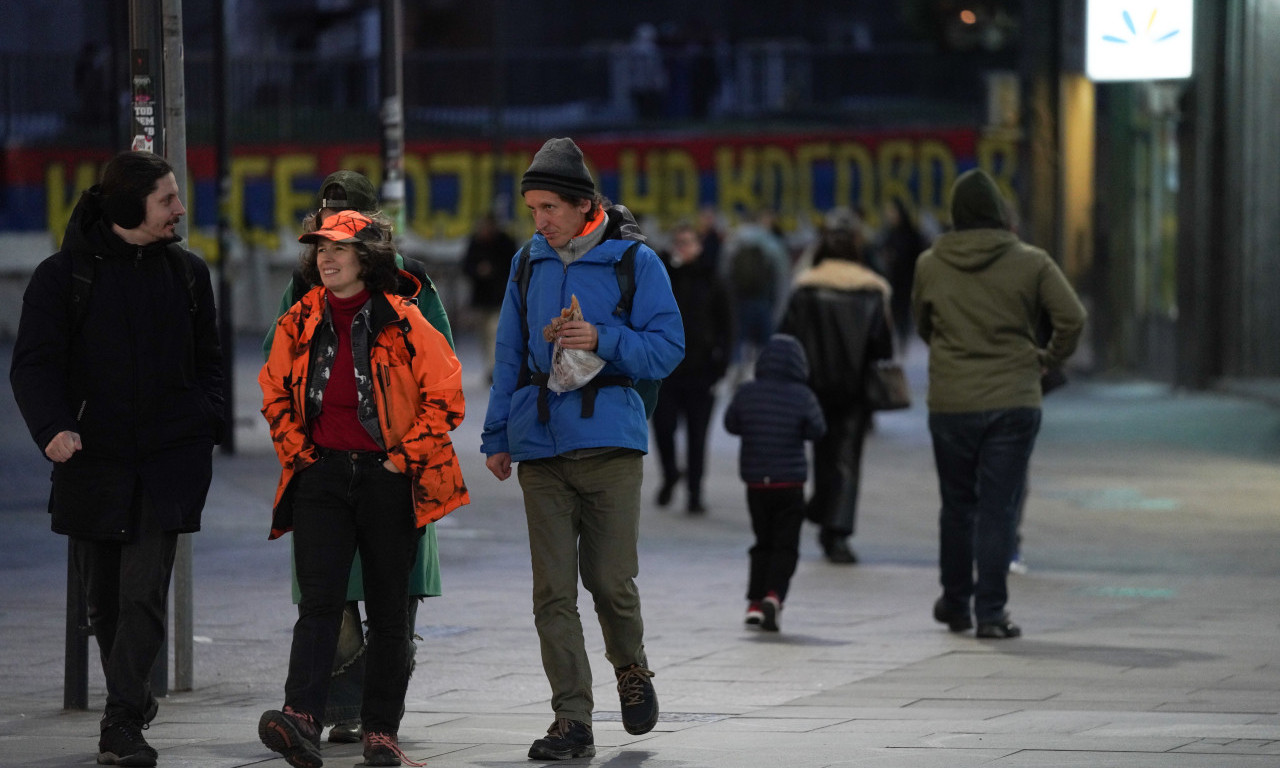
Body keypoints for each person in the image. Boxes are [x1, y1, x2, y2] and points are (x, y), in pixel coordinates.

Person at [10, 150, 225, 767]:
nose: (180, 209)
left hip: (167, 461)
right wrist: (53, 428)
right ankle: (130, 695)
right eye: (167, 199)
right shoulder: (62, 277)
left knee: (141, 594)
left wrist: (203, 419)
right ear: (130, 206)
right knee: (102, 599)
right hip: (92, 462)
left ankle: (122, 722)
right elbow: (33, 366)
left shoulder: (188, 274)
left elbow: (210, 361)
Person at [481, 137, 684, 760]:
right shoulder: (528, 263)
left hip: (610, 442)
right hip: (539, 442)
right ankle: (573, 720)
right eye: (533, 209)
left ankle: (632, 667)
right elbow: (510, 353)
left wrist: (602, 336)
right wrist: (496, 436)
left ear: (582, 205)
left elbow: (668, 347)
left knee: (610, 580)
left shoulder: (634, 262)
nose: (539, 221)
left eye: (548, 208)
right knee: (552, 592)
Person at [258, 210, 469, 767]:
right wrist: (300, 456)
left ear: (367, 259)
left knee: (389, 612)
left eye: (339, 249)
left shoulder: (403, 319)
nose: (326, 258)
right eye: (320, 250)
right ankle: (300, 718)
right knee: (319, 603)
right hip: (321, 476)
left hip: (386, 478)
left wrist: (404, 462)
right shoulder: (299, 320)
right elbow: (274, 391)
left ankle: (382, 732)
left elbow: (446, 396)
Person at [912, 168, 1086, 639]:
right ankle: (991, 612)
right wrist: (1046, 360)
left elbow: (923, 324)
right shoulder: (1032, 262)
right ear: (998, 212)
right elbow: (1072, 317)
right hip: (1014, 398)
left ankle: (955, 602)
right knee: (998, 507)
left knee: (957, 505)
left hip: (951, 400)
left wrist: (952, 350)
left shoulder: (930, 263)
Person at [779, 207, 893, 565]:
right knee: (846, 460)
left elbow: (786, 337)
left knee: (820, 455)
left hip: (811, 387)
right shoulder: (872, 292)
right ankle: (838, 533)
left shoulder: (804, 290)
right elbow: (883, 347)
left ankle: (820, 508)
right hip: (855, 391)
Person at [723, 334, 826, 632]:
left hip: (756, 484)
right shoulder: (803, 395)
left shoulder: (747, 392)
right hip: (790, 483)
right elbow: (818, 430)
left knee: (762, 542)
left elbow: (731, 424)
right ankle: (774, 595)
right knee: (786, 546)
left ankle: (754, 604)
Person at [652, 220, 734, 514]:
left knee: (698, 437)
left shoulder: (713, 279)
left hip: (701, 371)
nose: (683, 248)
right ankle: (670, 473)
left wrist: (721, 364)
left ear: (699, 246)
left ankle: (695, 492)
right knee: (663, 429)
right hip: (666, 372)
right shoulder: (661, 278)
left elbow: (727, 325)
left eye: (688, 242)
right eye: (679, 242)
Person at [724, 210, 790, 381]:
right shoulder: (770, 241)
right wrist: (778, 308)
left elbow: (723, 274)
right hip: (763, 301)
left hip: (739, 302)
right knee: (766, 344)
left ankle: (734, 375)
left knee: (738, 341)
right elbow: (782, 278)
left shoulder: (734, 240)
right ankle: (767, 376)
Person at [462, 211, 518, 380]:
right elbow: (466, 266)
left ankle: (496, 367)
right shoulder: (475, 242)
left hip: (500, 297)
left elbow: (513, 268)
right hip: (481, 298)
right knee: (483, 334)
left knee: (495, 332)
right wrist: (478, 270)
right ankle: (490, 366)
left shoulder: (505, 242)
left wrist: (492, 270)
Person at [878, 198, 927, 349]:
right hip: (893, 283)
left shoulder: (912, 235)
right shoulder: (888, 235)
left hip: (909, 283)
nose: (890, 216)